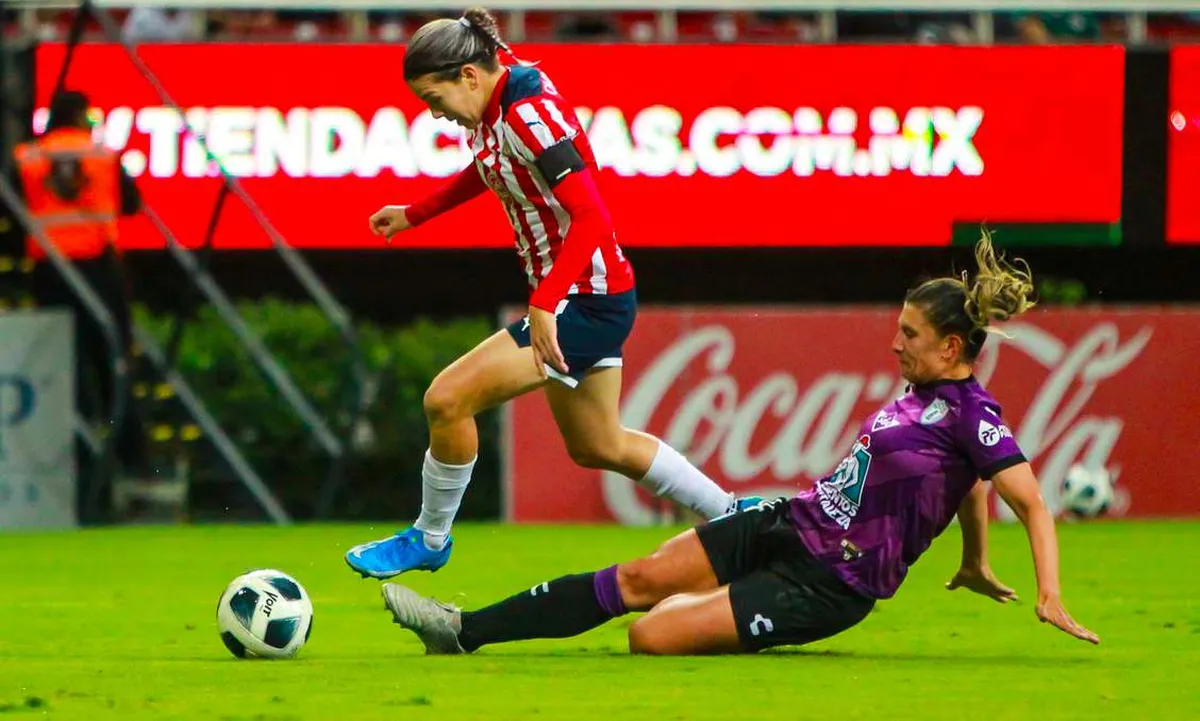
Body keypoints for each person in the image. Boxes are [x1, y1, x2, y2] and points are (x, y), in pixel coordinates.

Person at [379, 231, 1101, 655]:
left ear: (950, 346)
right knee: (634, 580)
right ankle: (461, 629)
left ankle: (717, 608)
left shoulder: (975, 414)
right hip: (789, 522)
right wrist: (972, 559)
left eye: (909, 334)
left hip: (828, 585)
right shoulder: (922, 397)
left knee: (650, 636)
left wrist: (1049, 593)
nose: (895, 342)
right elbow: (968, 485)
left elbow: (1028, 500)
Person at [345, 7, 757, 580]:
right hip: (591, 293)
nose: (435, 114)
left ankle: (429, 538)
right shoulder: (492, 94)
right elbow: (489, 168)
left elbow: (591, 216)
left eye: (433, 99)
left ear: (467, 75)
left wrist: (544, 304)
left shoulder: (528, 115)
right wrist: (416, 214)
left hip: (582, 300)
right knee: (599, 445)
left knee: (446, 400)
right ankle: (736, 517)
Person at [15, 89, 147, 522]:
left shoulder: (27, 157)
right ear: (79, 116)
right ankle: (135, 465)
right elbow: (132, 205)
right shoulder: (102, 155)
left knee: (61, 376)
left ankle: (76, 470)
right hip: (101, 271)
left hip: (50, 275)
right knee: (115, 370)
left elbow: (12, 212)